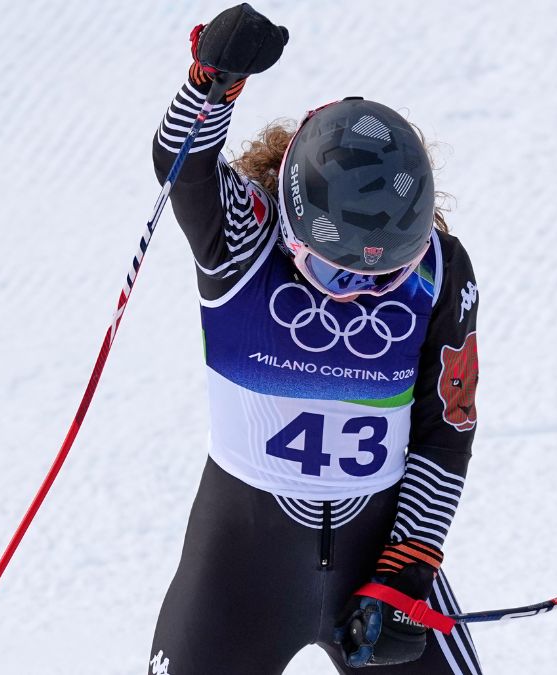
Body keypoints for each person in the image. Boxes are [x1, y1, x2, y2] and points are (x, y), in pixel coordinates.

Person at [146, 5, 482, 674]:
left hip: (377, 568)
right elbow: (184, 165)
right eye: (333, 272)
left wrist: (405, 571)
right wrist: (211, 83)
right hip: (237, 576)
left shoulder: (439, 272)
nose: (358, 293)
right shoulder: (244, 243)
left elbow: (445, 433)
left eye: (385, 276)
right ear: (291, 231)